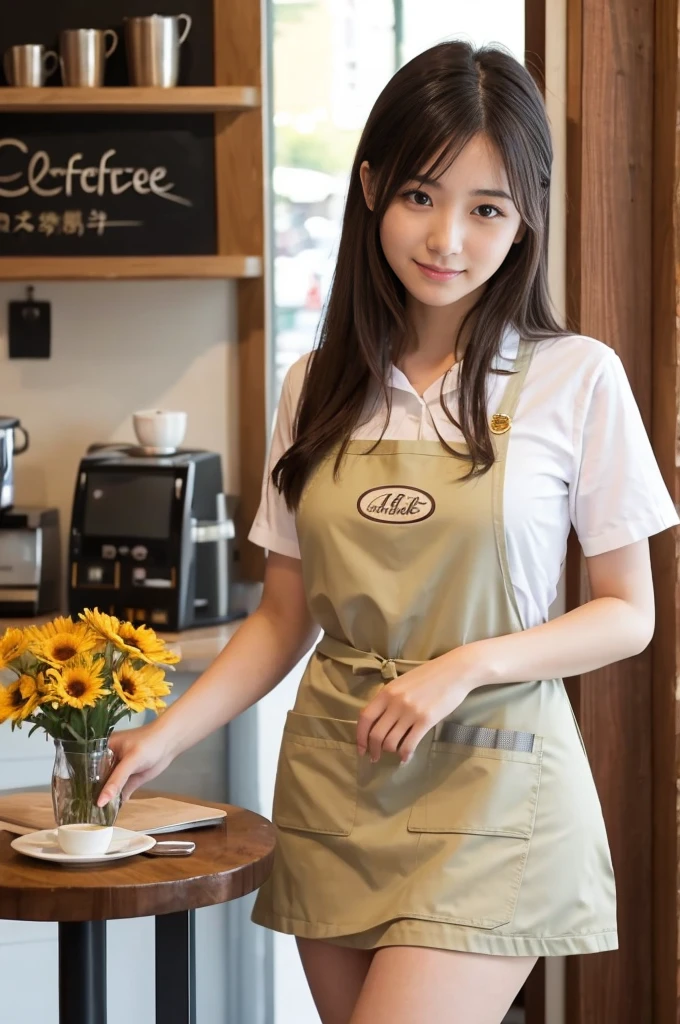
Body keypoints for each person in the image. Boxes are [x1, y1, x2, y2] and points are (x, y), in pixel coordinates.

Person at [97, 39, 680, 1024]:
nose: (446, 236)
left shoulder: (574, 377)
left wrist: (460, 665)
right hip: (340, 776)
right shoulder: (312, 385)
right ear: (369, 186)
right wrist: (166, 736)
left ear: (523, 217)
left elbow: (627, 615)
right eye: (420, 194)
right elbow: (284, 618)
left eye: (486, 208)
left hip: (496, 791)